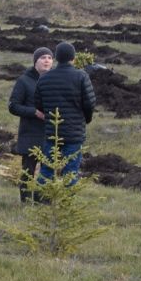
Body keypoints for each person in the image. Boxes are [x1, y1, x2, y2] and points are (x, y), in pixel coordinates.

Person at [34, 41, 96, 186]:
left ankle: (41, 201)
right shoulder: (81, 76)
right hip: (74, 133)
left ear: (56, 58)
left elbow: (38, 103)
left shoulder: (44, 78)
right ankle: (66, 203)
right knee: (71, 172)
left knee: (47, 169)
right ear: (73, 58)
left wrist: (49, 116)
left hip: (52, 132)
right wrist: (86, 119)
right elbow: (90, 102)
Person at [9, 47, 52, 202]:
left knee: (47, 170)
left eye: (49, 57)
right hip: (30, 134)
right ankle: (26, 202)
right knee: (28, 171)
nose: (47, 60)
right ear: (35, 62)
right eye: (43, 58)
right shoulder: (24, 81)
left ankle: (43, 203)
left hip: (49, 133)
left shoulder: (54, 79)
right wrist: (34, 112)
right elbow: (13, 106)